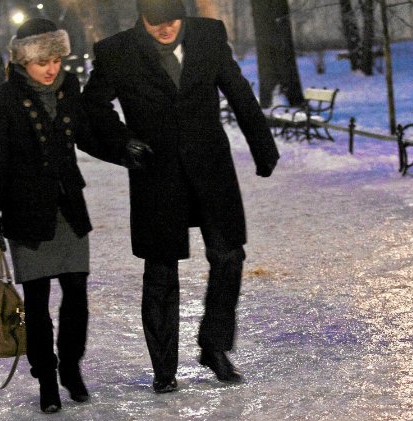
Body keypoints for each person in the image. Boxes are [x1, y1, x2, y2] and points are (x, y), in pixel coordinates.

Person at [82, 0, 279, 393]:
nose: (165, 29)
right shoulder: (115, 51)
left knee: (229, 255)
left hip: (211, 168)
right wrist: (123, 144)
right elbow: (92, 106)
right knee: (160, 271)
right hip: (157, 175)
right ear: (141, 18)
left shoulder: (208, 36)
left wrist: (263, 146)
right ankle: (164, 367)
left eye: (172, 20)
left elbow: (238, 90)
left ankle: (215, 345)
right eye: (154, 22)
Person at [0, 19, 111, 413]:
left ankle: (70, 367)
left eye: (55, 58)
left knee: (76, 296)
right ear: (23, 61)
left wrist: (126, 153)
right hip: (26, 213)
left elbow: (87, 135)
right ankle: (48, 380)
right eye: (41, 62)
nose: (51, 68)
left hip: (69, 207)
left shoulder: (70, 87)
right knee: (36, 303)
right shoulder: (1, 100)